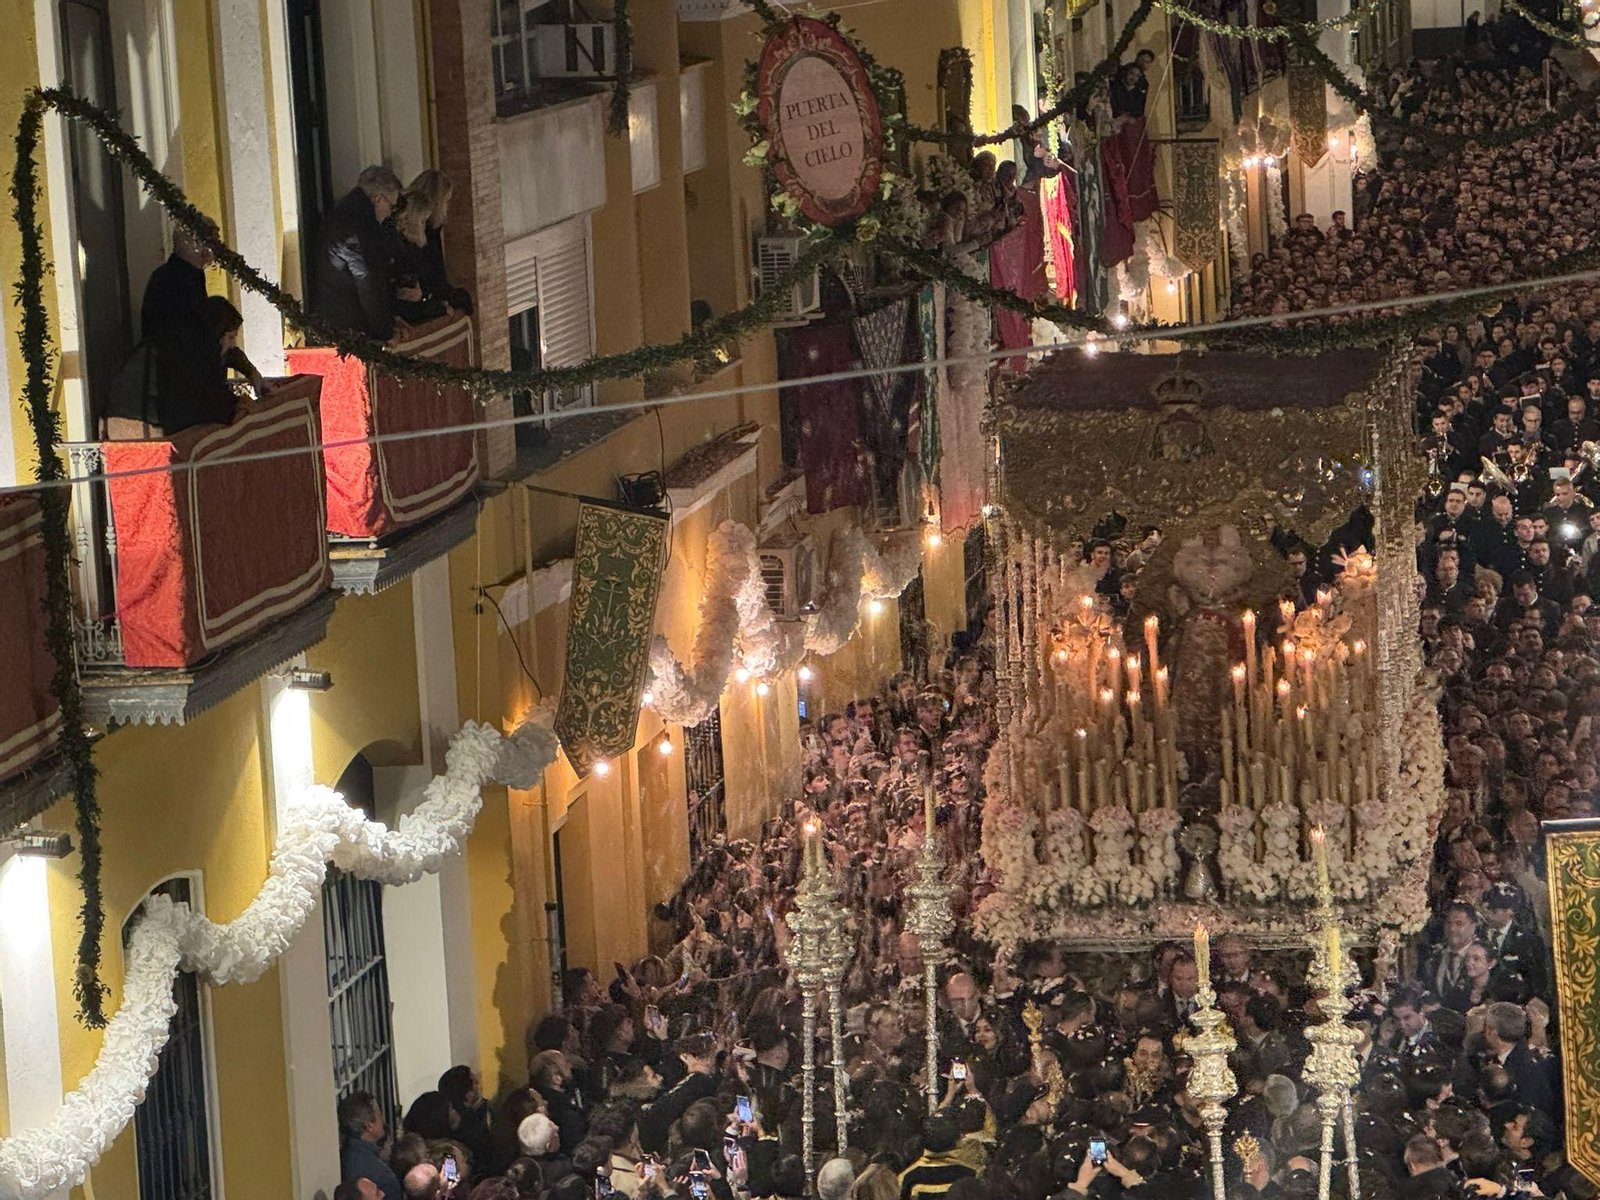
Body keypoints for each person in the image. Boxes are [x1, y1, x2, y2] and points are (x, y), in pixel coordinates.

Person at [105, 222, 236, 437]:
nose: (213, 250)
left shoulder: (181, 277)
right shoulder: (175, 281)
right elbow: (190, 341)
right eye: (209, 241)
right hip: (170, 386)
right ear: (195, 245)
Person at [313, 164, 404, 340]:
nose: (389, 214)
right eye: (391, 207)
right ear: (379, 200)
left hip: (341, 317)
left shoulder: (346, 214)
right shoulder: (358, 228)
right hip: (349, 324)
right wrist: (384, 332)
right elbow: (367, 281)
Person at [339, 1091, 403, 1200]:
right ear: (369, 1126)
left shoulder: (343, 1154)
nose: (382, 1120)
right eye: (379, 1115)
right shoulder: (382, 1176)